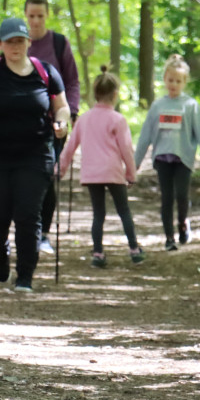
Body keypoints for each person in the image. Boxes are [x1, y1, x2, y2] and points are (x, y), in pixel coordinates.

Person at [0, 17, 69, 292]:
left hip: (35, 155)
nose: (15, 46)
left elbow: (62, 107)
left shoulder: (45, 72)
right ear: (0, 44)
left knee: (28, 215)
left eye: (20, 41)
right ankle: (1, 251)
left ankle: (25, 278)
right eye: (9, 41)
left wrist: (61, 123)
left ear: (28, 43)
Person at [58, 67, 145, 268]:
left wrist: (60, 169)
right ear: (115, 94)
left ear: (94, 94)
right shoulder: (117, 119)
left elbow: (70, 148)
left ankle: (98, 253)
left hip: (92, 174)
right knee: (124, 210)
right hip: (113, 172)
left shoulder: (84, 119)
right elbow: (126, 150)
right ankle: (134, 249)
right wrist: (131, 174)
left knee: (98, 214)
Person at [133, 54, 200, 250]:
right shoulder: (158, 106)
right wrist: (133, 164)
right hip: (162, 158)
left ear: (184, 82)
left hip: (183, 158)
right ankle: (169, 238)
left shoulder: (191, 106)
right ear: (164, 80)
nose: (173, 84)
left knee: (181, 195)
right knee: (166, 198)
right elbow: (145, 136)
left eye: (178, 81)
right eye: (170, 80)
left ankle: (183, 224)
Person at [25, 0, 81, 256]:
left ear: (47, 16)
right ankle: (26, 230)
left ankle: (42, 234)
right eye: (31, 16)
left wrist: (69, 113)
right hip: (22, 126)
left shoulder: (58, 44)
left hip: (54, 125)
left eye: (40, 16)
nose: (35, 21)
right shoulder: (18, 43)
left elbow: (72, 81)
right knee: (23, 178)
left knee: (46, 177)